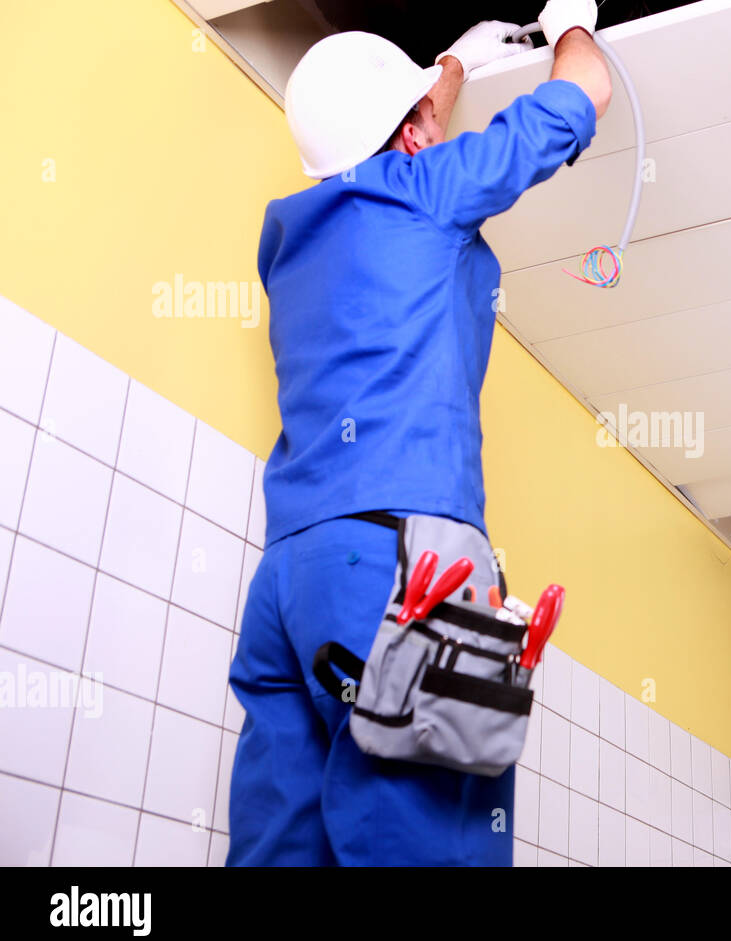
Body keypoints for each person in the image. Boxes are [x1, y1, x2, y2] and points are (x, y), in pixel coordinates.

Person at [227, 1, 610, 866]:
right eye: (428, 124)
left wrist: (453, 69)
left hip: (292, 577)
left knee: (280, 849)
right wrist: (571, 25)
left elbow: (387, 133)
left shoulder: (293, 238)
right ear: (409, 139)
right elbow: (584, 87)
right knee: (427, 839)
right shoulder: (425, 194)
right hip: (406, 566)